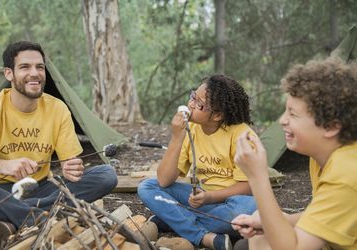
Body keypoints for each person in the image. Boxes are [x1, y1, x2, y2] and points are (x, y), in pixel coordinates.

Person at [0, 41, 117, 245]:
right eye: (25, 67)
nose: (35, 73)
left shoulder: (57, 109)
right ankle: (36, 218)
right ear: (9, 73)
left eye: (39, 67)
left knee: (106, 175)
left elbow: (71, 161)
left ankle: (6, 215)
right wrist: (0, 164)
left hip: (39, 188)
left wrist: (72, 168)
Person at [232, 58, 357, 250]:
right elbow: (321, 216)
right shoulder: (321, 156)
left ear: (331, 127)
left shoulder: (346, 173)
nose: (282, 120)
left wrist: (258, 177)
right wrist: (281, 220)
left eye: (293, 114)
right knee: (251, 243)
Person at [138, 75, 257, 250]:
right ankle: (203, 236)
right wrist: (177, 138)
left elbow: (248, 186)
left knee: (247, 209)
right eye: (193, 96)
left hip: (231, 202)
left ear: (217, 115)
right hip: (201, 200)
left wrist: (209, 197)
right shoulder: (191, 128)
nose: (191, 104)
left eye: (199, 104)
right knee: (147, 187)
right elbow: (164, 180)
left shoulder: (241, 136)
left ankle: (174, 220)